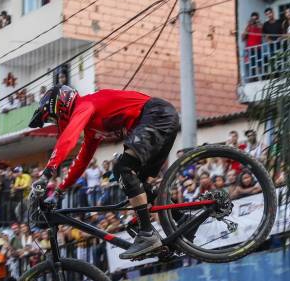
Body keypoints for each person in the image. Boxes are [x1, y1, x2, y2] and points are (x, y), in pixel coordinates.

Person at [29, 85, 180, 259]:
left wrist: (47, 174)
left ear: (61, 106)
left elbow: (68, 139)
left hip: (156, 114)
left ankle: (147, 234)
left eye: (54, 119)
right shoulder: (92, 128)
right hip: (160, 117)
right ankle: (180, 217)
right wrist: (59, 190)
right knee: (137, 182)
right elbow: (81, 161)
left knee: (122, 169)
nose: (56, 124)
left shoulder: (85, 105)